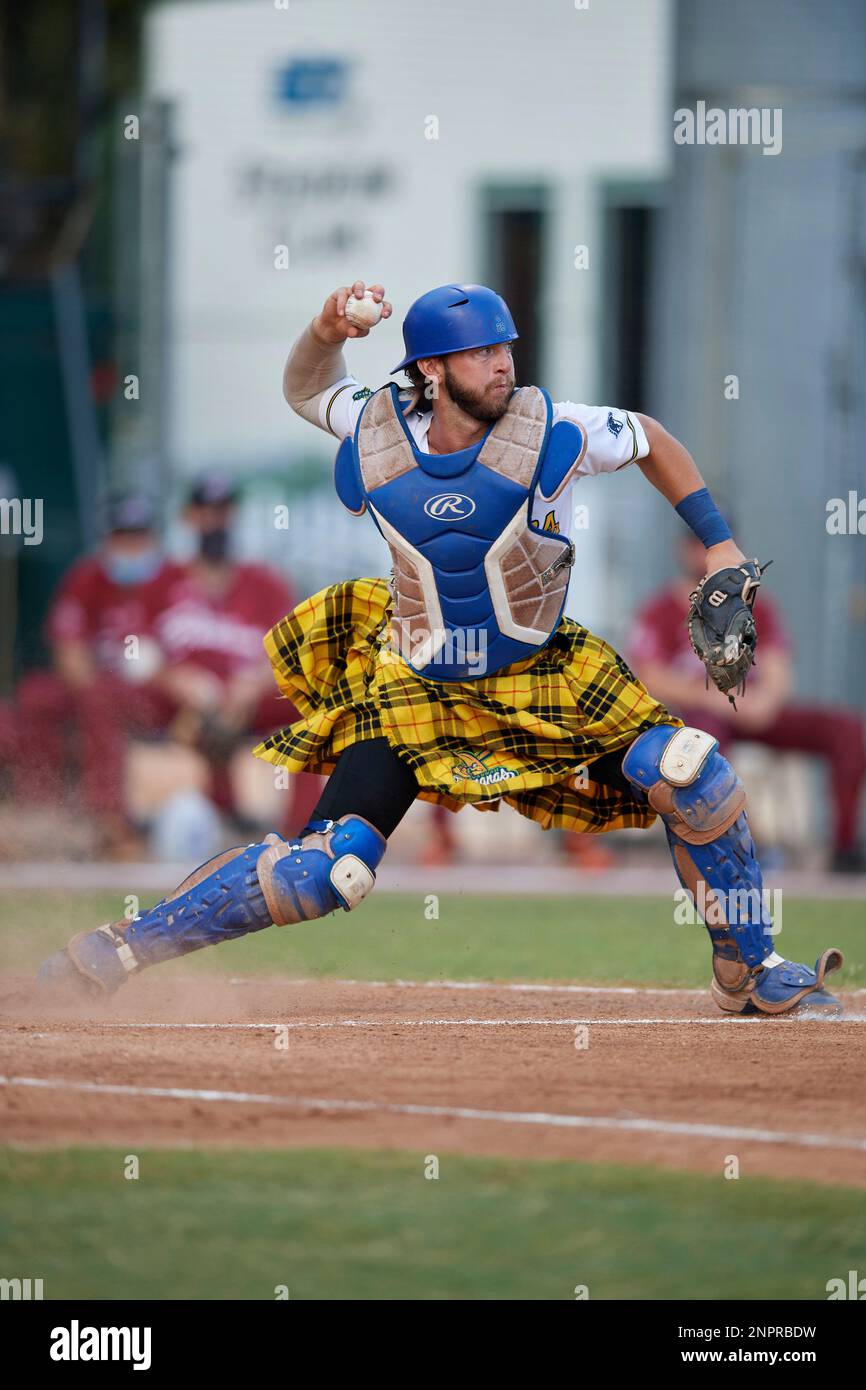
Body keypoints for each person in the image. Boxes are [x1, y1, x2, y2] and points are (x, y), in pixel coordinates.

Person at [37, 281, 843, 1017]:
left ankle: (753, 969)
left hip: (541, 677)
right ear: (430, 368)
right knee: (324, 873)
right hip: (417, 690)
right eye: (482, 352)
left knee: (690, 773)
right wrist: (324, 329)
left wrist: (719, 546)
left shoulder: (550, 428)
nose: (503, 364)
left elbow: (653, 441)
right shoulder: (380, 428)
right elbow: (307, 387)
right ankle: (115, 951)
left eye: (506, 348)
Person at [629, 530, 866, 872]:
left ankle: (844, 848)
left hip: (753, 710)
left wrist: (765, 702)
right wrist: (716, 699)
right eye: (697, 545)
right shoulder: (660, 610)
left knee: (846, 729)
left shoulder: (755, 606)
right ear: (682, 550)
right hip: (698, 716)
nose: (704, 555)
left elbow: (777, 669)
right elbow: (650, 677)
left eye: (711, 545)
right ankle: (739, 846)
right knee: (703, 741)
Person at [13, 494, 188, 857]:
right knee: (35, 694)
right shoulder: (87, 577)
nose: (131, 547)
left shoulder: (173, 580)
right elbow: (69, 654)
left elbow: (183, 661)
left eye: (138, 536)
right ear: (108, 539)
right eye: (122, 537)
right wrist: (90, 684)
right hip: (99, 687)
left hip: (153, 695)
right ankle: (41, 809)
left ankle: (110, 820)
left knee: (99, 698)